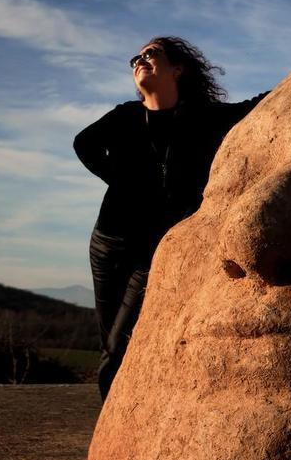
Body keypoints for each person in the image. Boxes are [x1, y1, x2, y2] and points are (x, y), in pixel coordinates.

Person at [73, 36, 268, 401]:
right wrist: (120, 178)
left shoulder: (204, 119)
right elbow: (83, 144)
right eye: (136, 57)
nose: (140, 61)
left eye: (151, 54)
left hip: (153, 252)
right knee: (109, 343)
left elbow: (254, 106)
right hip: (108, 243)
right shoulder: (125, 116)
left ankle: (121, 428)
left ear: (178, 68)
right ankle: (116, 422)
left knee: (120, 346)